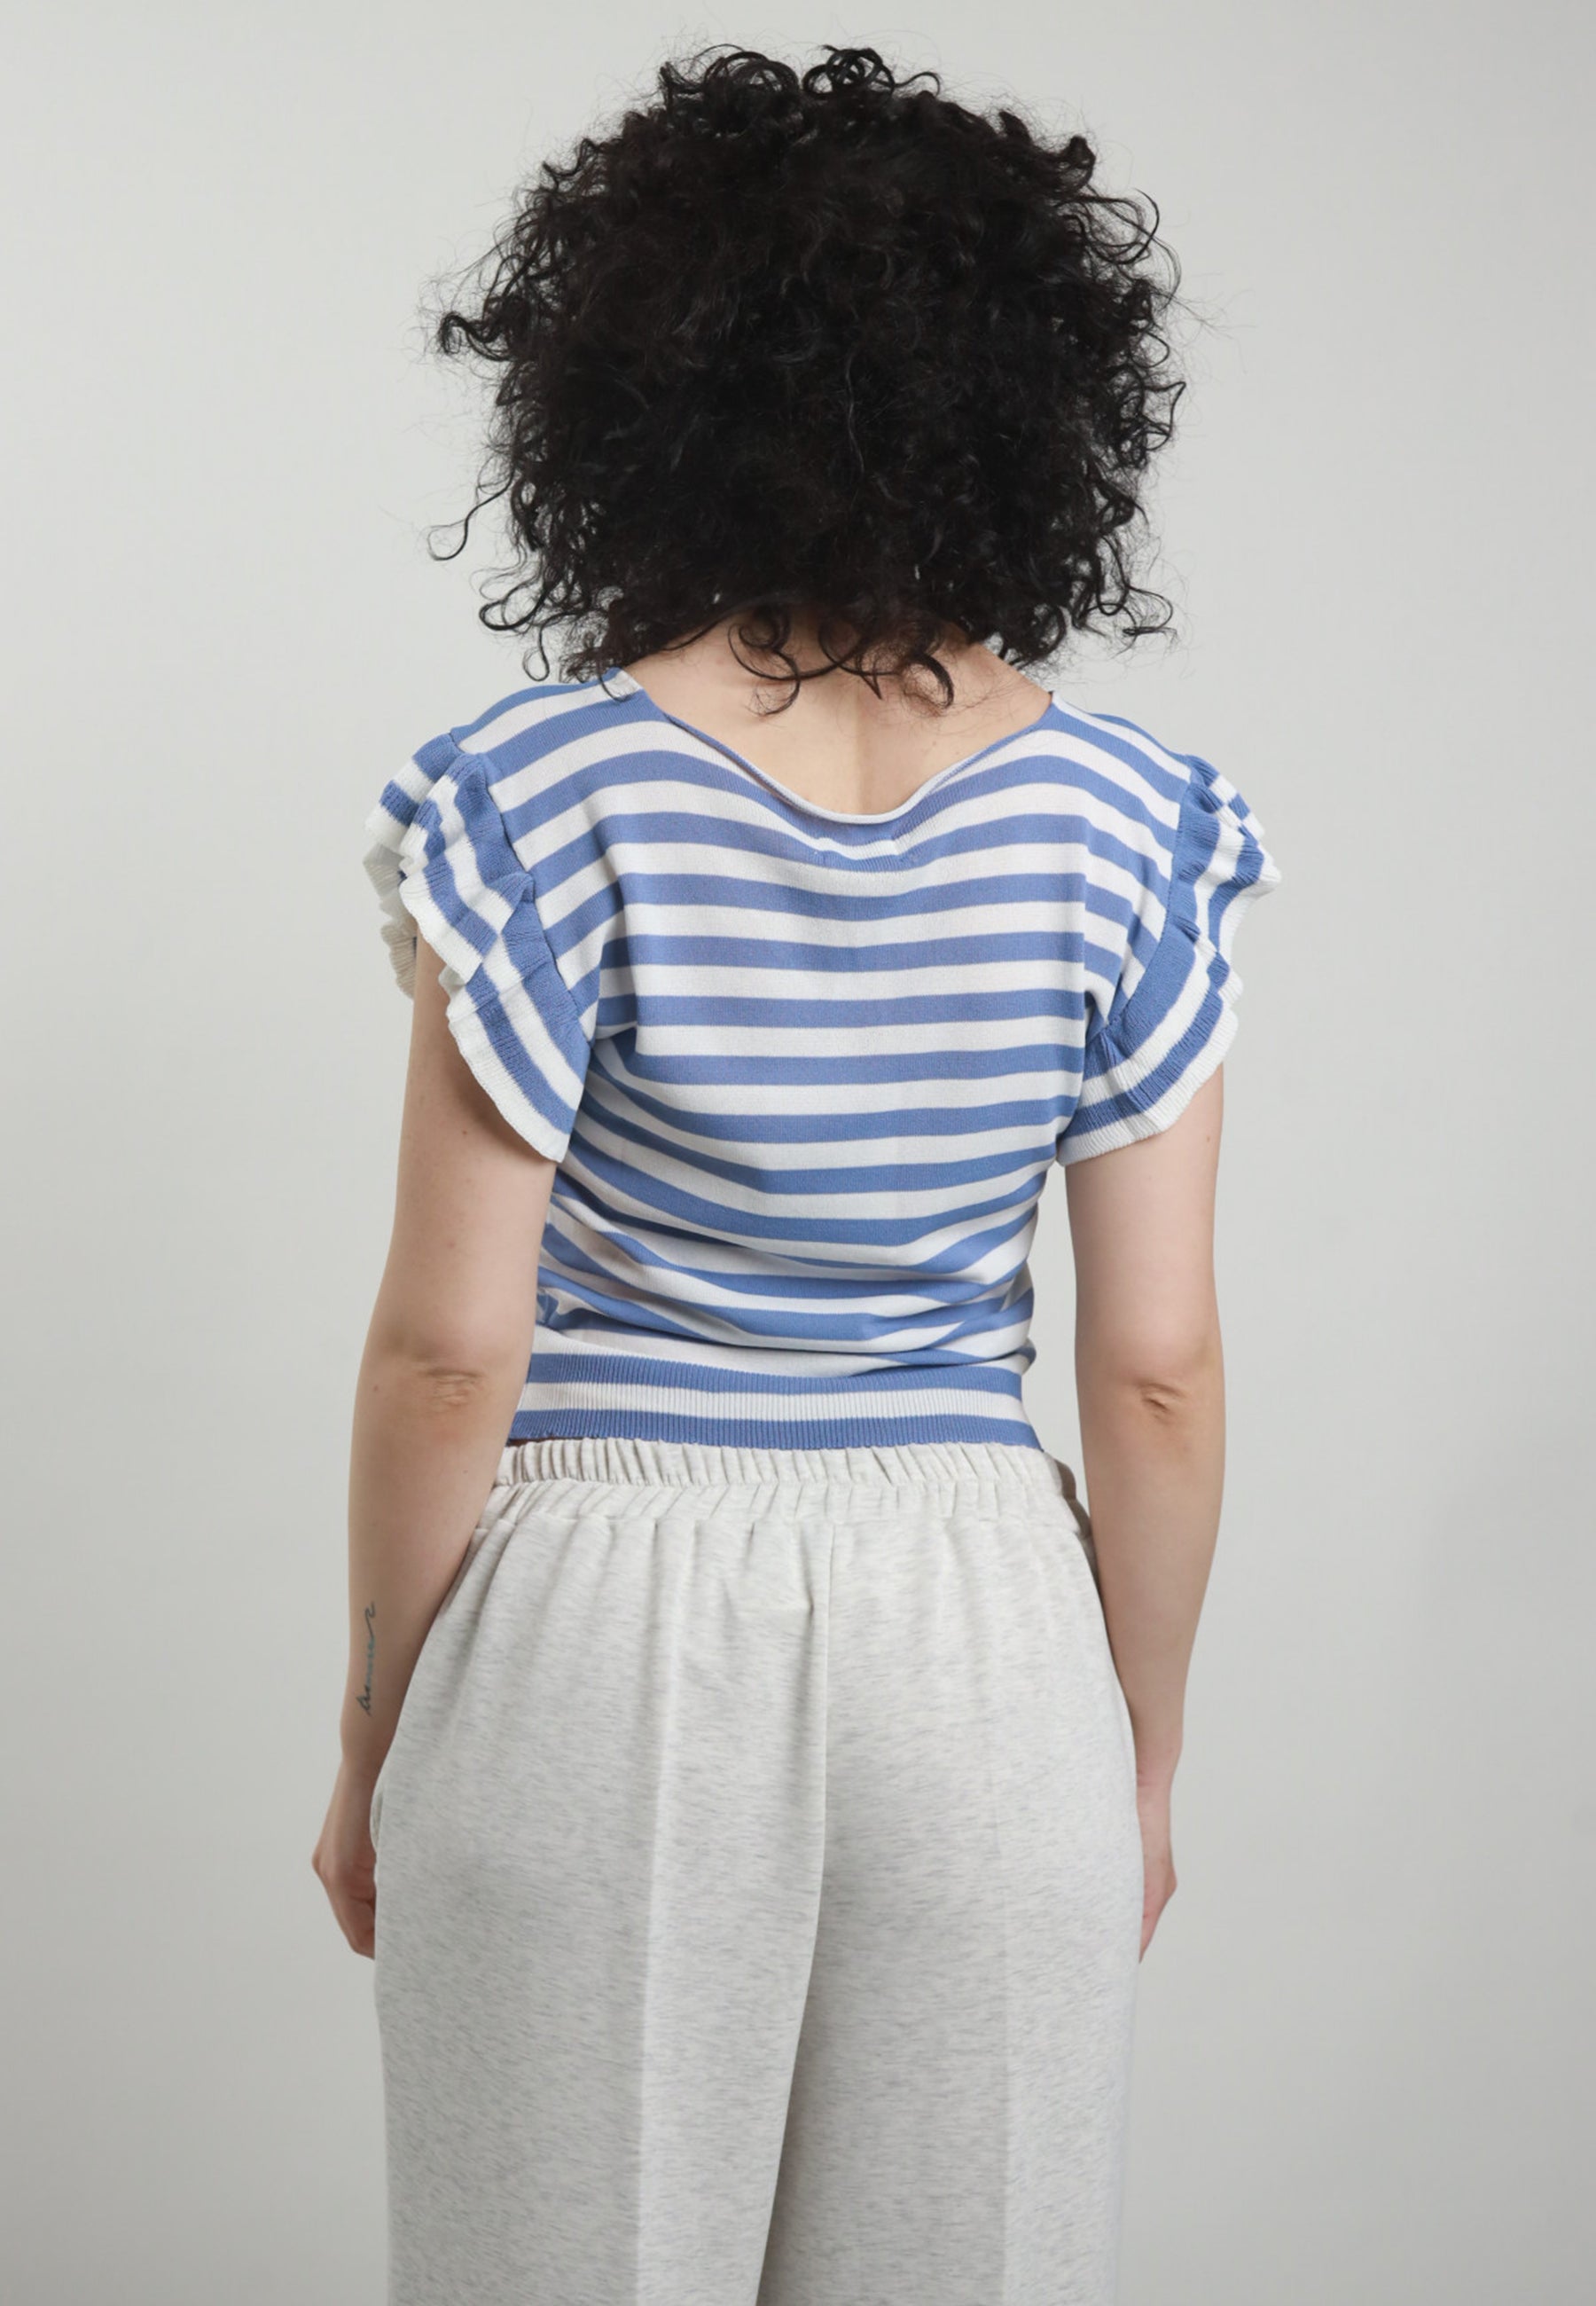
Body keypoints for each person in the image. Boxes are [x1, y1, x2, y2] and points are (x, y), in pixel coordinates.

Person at [312, 42, 1282, 2306]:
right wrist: (1132, 1755)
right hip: (988, 1636)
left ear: (636, 380)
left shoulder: (539, 794)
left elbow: (451, 1346)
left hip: (594, 1620)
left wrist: (379, 1740)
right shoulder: (1131, 824)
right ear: (1031, 401)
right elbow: (1153, 1368)